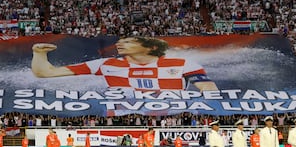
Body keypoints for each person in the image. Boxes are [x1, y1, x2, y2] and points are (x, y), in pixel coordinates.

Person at [31, 37, 218, 91]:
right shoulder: (105, 64)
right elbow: (46, 73)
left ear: (150, 46)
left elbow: (209, 89)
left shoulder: (183, 63)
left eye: (128, 41)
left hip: (169, 120)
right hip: (121, 120)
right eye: (121, 41)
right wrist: (38, 54)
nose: (120, 44)